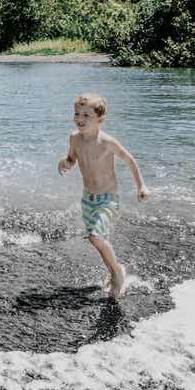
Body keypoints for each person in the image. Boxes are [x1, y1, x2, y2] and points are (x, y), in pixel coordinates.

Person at [56, 92, 148, 299]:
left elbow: (129, 159)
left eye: (86, 116)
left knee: (96, 237)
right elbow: (72, 159)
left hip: (108, 198)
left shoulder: (107, 142)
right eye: (77, 114)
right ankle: (114, 272)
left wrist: (141, 186)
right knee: (97, 240)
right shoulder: (74, 138)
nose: (80, 119)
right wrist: (65, 162)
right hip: (88, 199)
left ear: (100, 120)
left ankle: (118, 273)